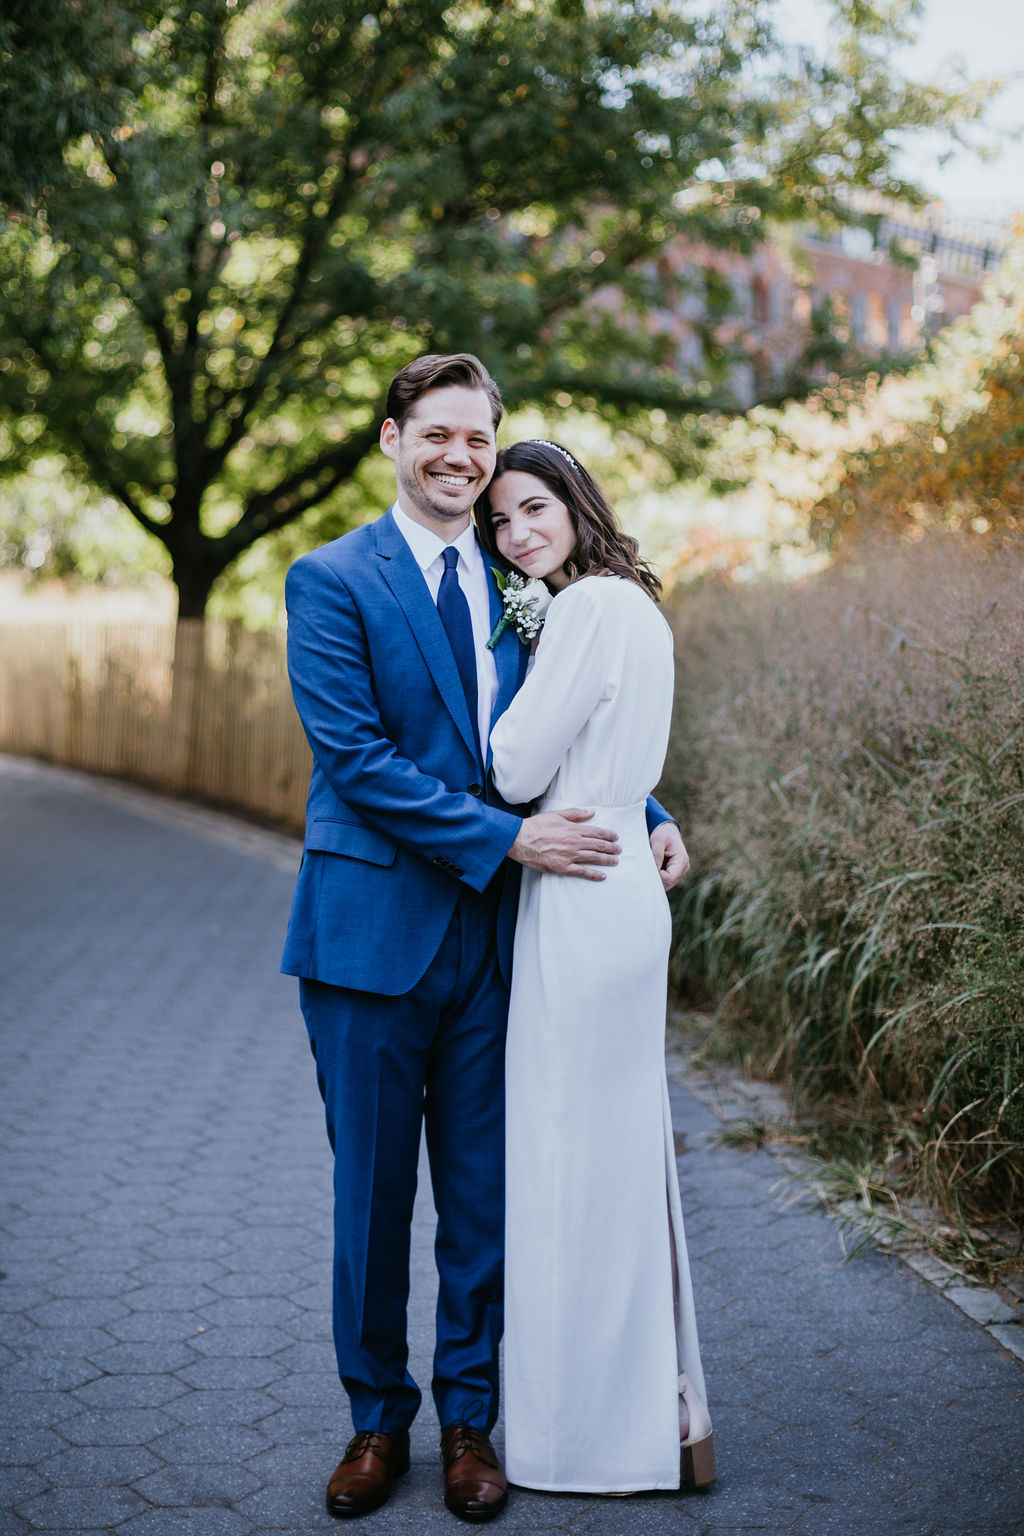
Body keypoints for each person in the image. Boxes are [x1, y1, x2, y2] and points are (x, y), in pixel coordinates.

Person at [280, 354, 689, 1522]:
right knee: (370, 1196)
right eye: (437, 435)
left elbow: (570, 722)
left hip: (507, 940)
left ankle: (471, 1423)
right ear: (391, 439)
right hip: (369, 935)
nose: (460, 458)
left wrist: (644, 817)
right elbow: (355, 762)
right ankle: (375, 1424)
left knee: (482, 1194)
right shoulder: (330, 578)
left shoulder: (529, 577)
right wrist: (508, 843)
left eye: (478, 439)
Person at [478, 439, 714, 1495]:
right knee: (611, 1154)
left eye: (533, 507)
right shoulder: (634, 604)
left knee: (567, 1158)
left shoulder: (577, 611)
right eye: (499, 522)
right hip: (619, 877)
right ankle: (643, 1419)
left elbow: (518, 764)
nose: (516, 532)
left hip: (577, 886)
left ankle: (575, 1437)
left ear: (575, 502)